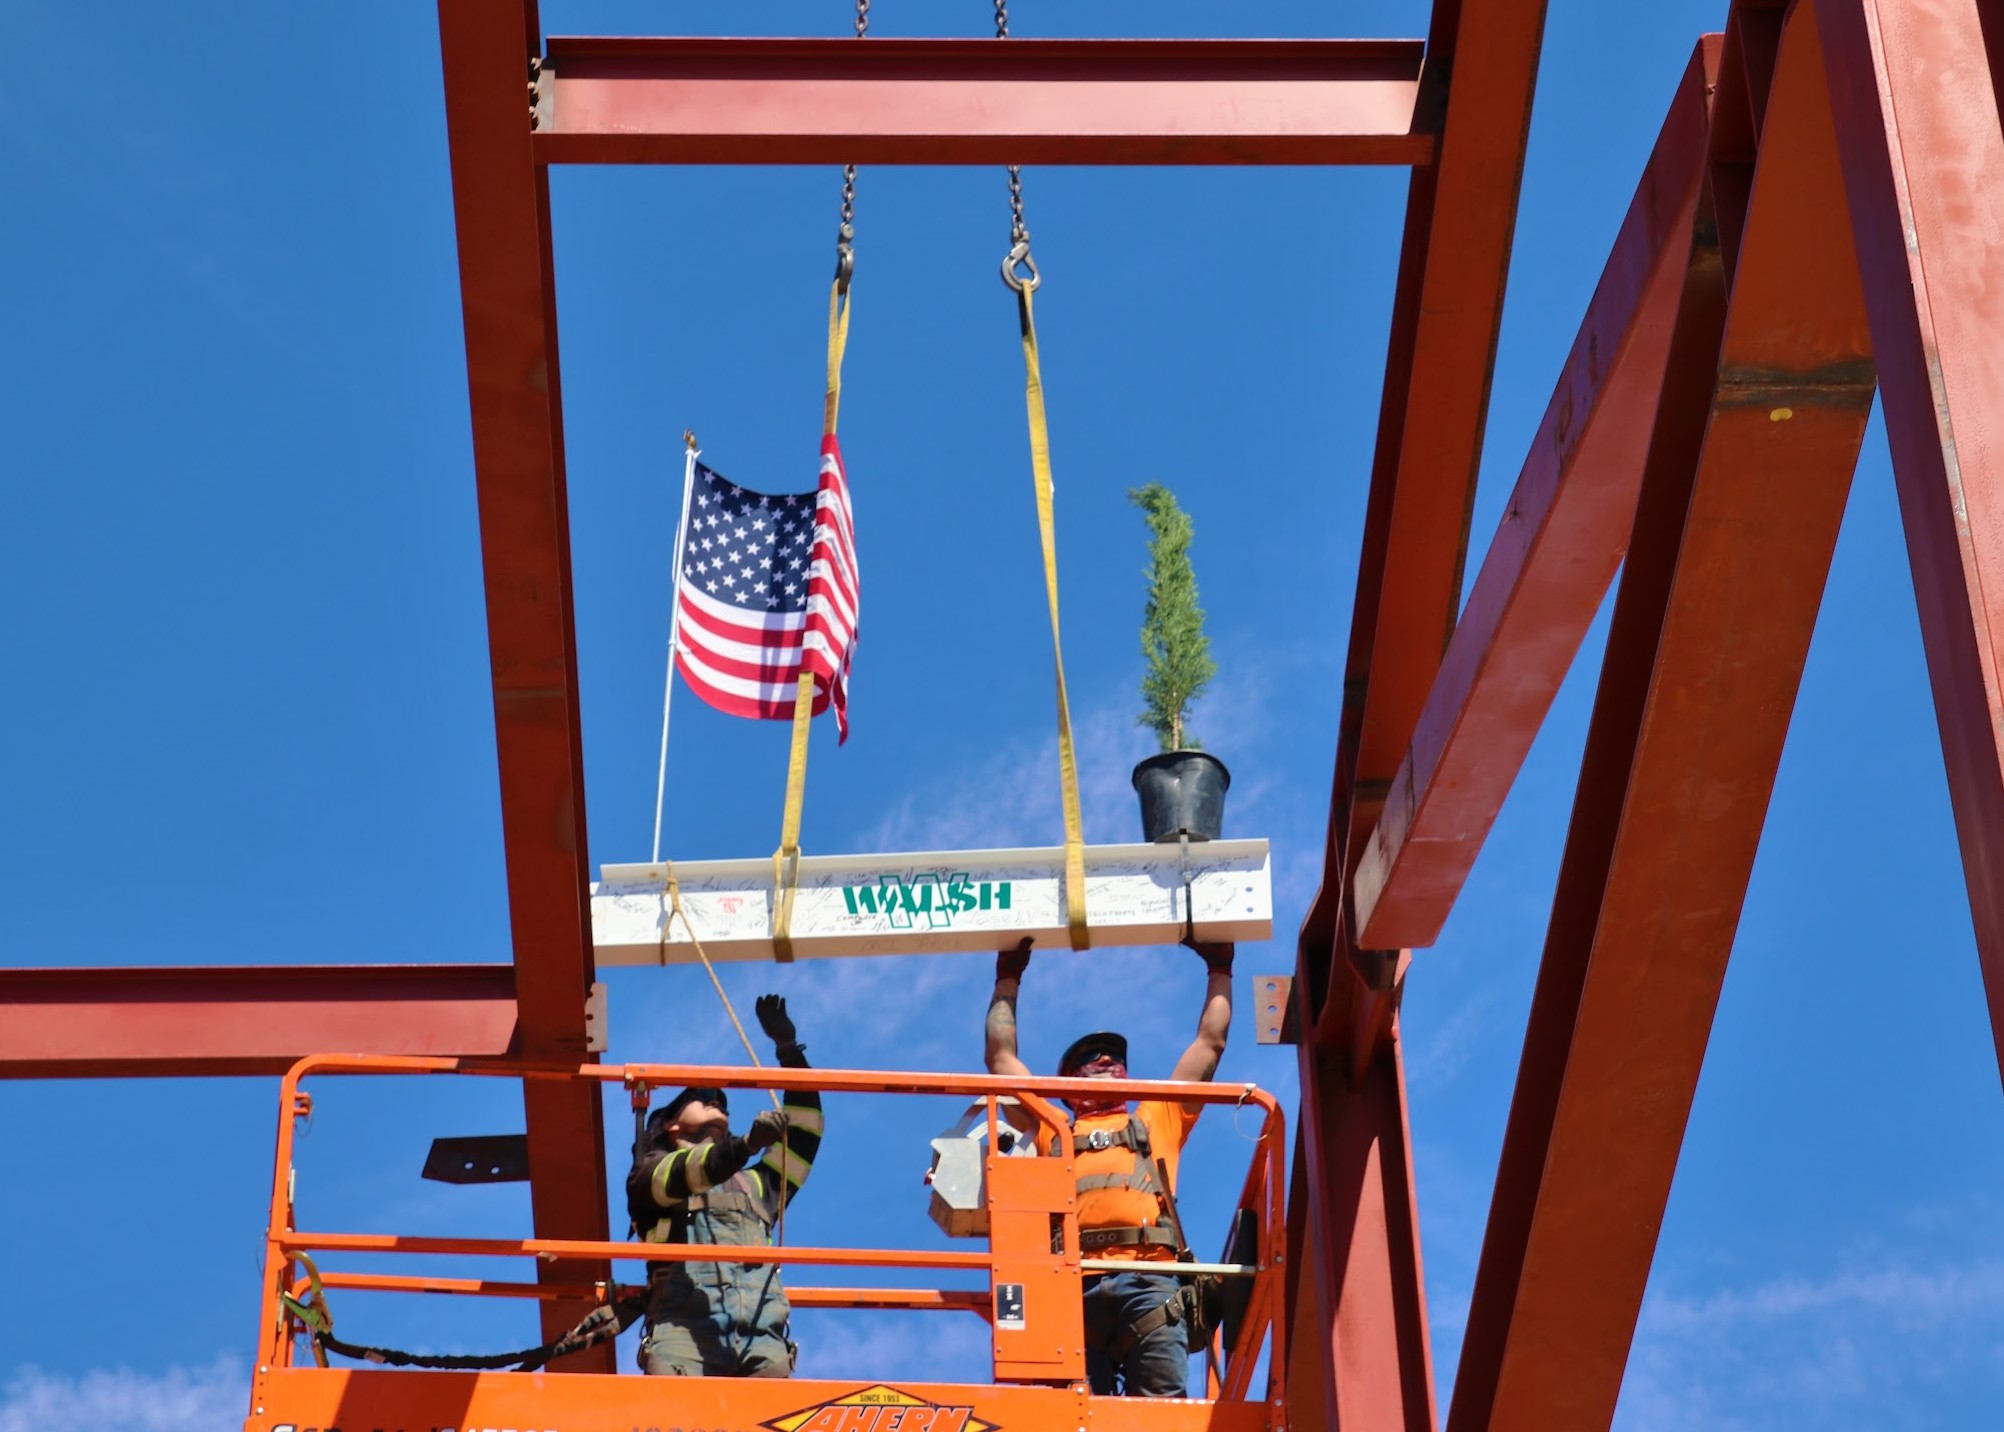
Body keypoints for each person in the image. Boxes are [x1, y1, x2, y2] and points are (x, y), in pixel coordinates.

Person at [984, 940, 1233, 1398]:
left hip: (1150, 1286)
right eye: (1089, 1060)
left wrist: (1221, 967)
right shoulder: (1053, 1129)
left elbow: (1209, 1044)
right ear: (1067, 1088)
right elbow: (1000, 1061)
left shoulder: (1157, 1118)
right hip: (1073, 1288)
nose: (1105, 1061)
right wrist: (1008, 978)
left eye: (1113, 1058)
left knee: (1161, 1422)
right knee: (1074, 1419)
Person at [627, 995, 823, 1378]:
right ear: (671, 1125)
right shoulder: (652, 1174)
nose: (719, 1103)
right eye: (703, 1099)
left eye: (722, 1103)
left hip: (761, 1336)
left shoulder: (756, 1185)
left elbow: (805, 1132)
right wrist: (746, 1146)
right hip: (682, 1336)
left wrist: (789, 1052)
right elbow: (688, 1172)